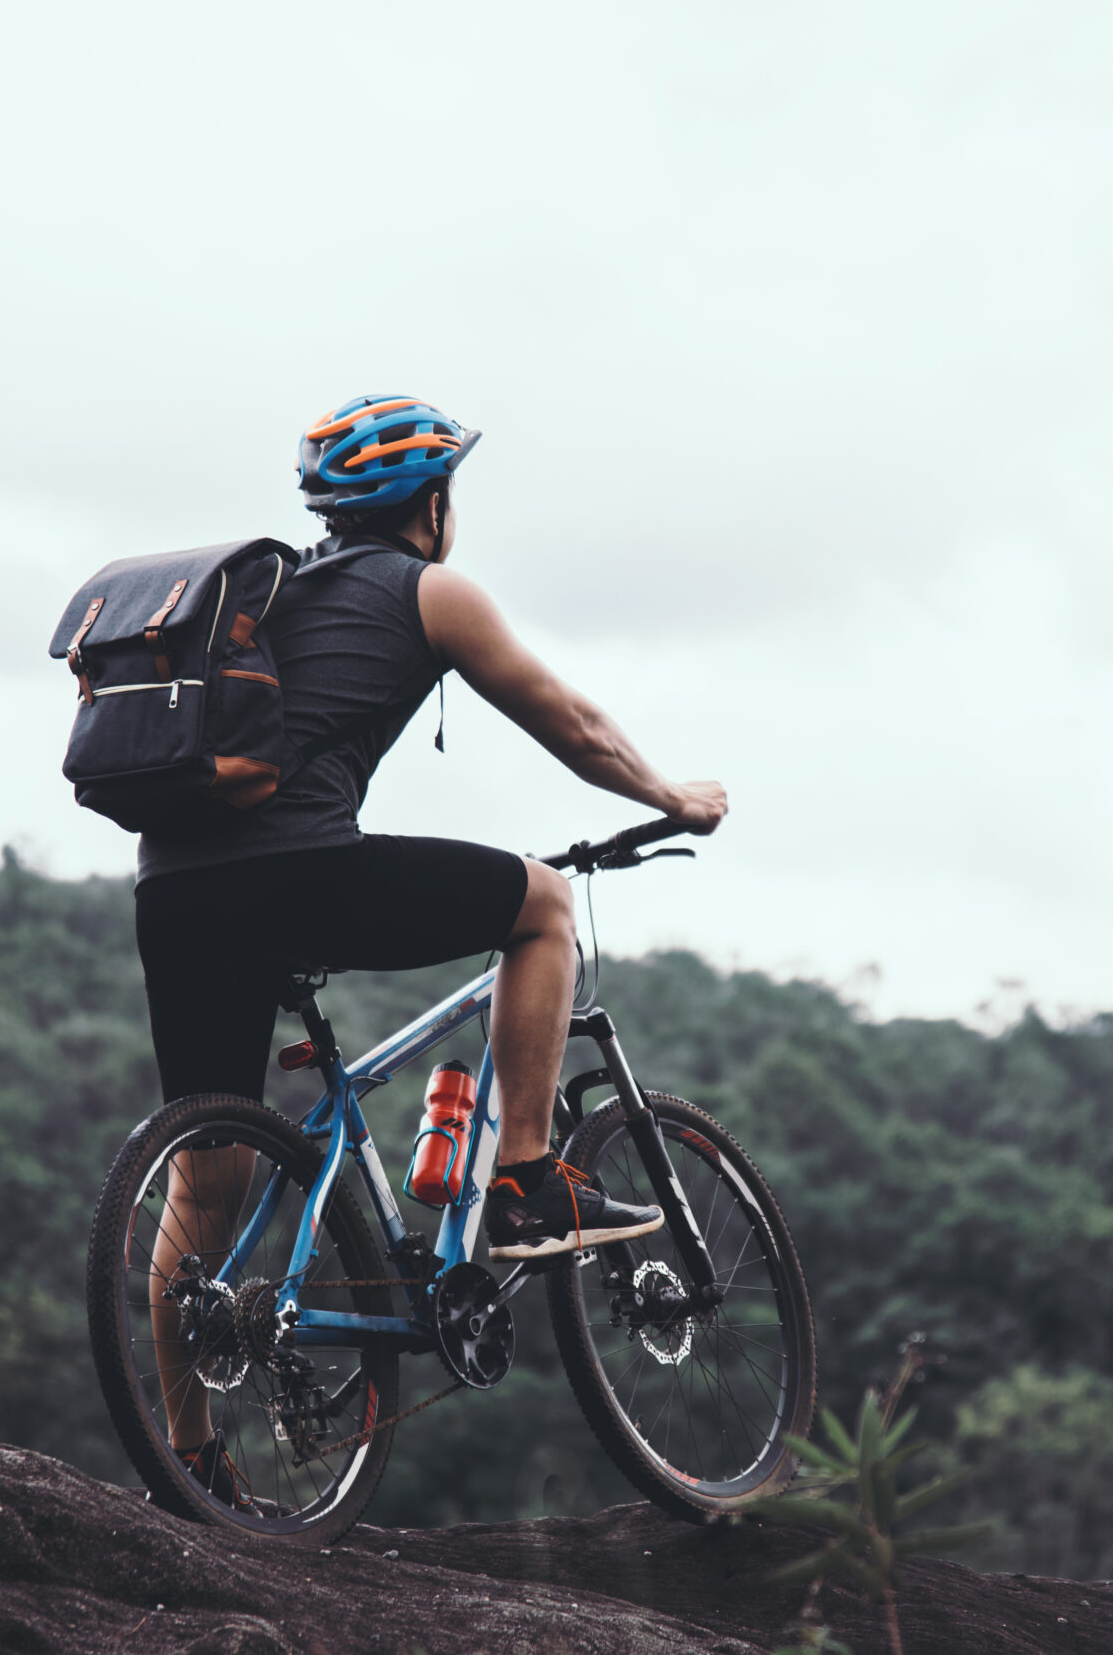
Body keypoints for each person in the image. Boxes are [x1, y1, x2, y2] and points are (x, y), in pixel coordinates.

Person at [134, 394, 726, 1490]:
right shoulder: (430, 590)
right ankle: (524, 1177)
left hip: (173, 890)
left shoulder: (270, 596)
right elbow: (574, 726)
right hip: (299, 870)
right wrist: (669, 795)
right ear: (432, 503)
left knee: (199, 1178)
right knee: (541, 903)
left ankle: (190, 1458)